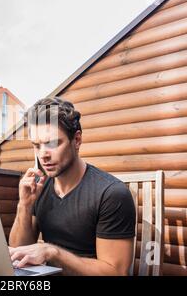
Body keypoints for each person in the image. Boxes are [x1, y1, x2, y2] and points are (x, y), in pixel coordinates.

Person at [9, 97, 136, 276]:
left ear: (76, 140)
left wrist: (51, 252)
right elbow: (17, 253)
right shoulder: (40, 187)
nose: (43, 155)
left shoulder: (112, 194)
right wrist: (24, 205)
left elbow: (115, 272)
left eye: (52, 143)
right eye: (37, 146)